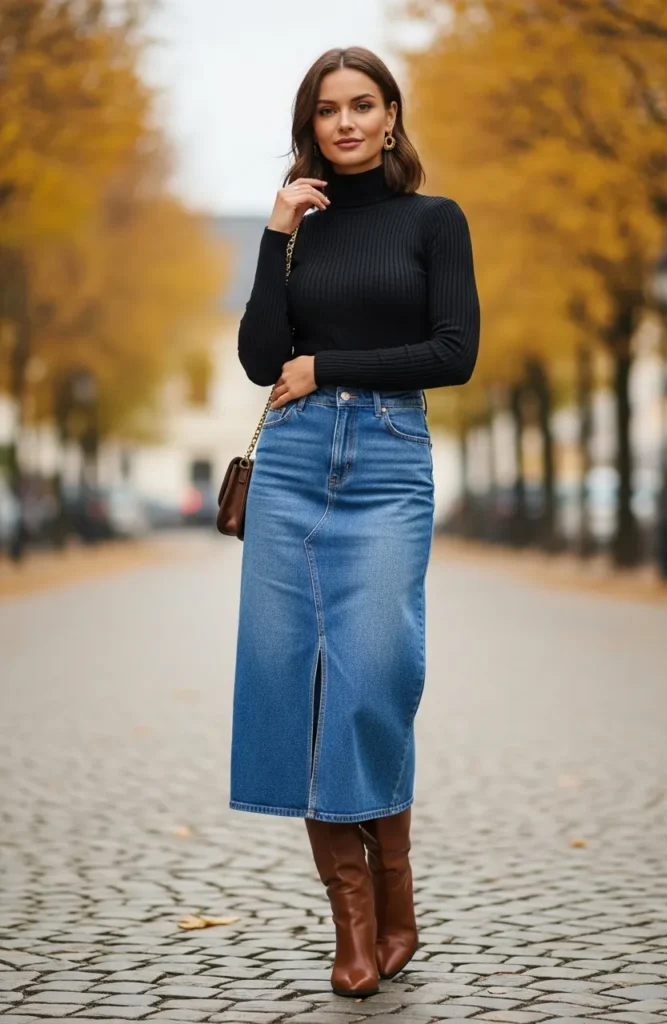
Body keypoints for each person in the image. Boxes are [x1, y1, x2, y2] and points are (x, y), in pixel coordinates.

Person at [231, 46, 480, 999]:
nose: (344, 122)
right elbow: (261, 359)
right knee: (295, 684)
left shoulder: (433, 222)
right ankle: (352, 922)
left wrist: (330, 367)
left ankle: (397, 894)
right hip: (292, 465)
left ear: (388, 116)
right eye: (327, 109)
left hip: (385, 463)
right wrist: (271, 231)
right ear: (312, 124)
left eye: (361, 105)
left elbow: (453, 352)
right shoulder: (299, 228)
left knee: (375, 675)